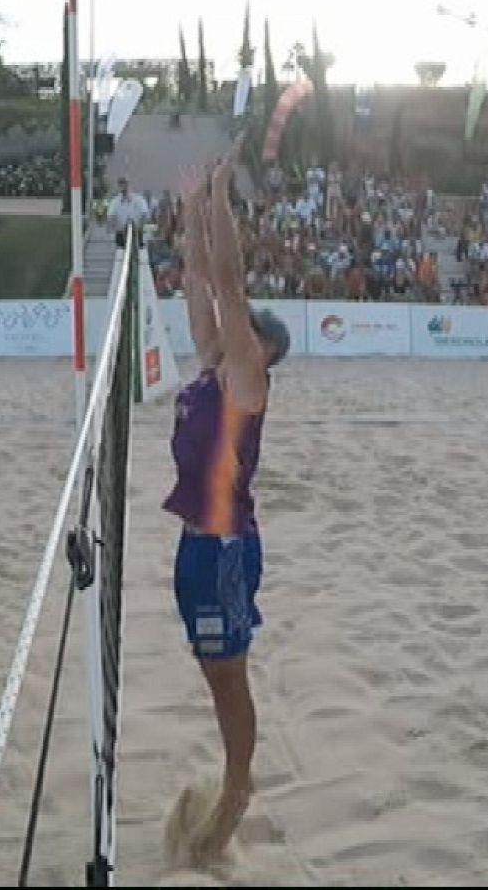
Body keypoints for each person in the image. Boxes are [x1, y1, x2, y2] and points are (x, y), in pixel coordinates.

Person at [163, 139, 290, 868]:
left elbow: (230, 282)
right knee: (213, 669)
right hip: (195, 541)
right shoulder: (216, 363)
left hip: (224, 545)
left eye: (251, 326)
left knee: (228, 674)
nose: (238, 324)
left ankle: (238, 787)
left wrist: (218, 199)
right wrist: (188, 212)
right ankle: (233, 778)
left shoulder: (248, 374)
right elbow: (199, 284)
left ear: (265, 348)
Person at [106, 177, 151, 248]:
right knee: (121, 253)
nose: (123, 186)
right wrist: (116, 228)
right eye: (120, 184)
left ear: (129, 185)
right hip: (121, 233)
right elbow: (111, 217)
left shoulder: (139, 200)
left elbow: (145, 215)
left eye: (124, 183)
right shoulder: (115, 201)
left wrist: (139, 227)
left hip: (136, 233)